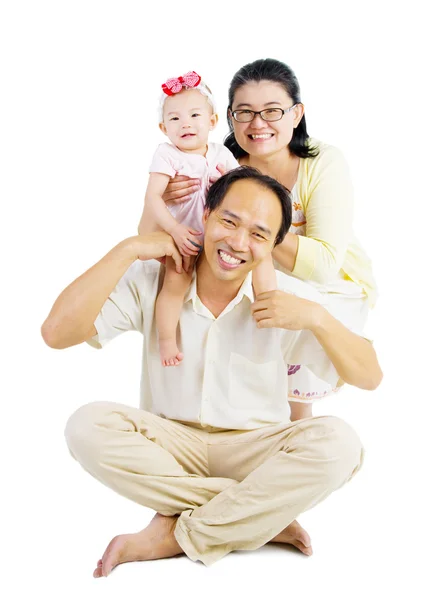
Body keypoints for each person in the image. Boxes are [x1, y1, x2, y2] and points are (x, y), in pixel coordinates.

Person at [41, 167, 382, 576]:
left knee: (340, 444)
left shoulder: (286, 298)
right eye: (229, 221)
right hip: (171, 450)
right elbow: (56, 333)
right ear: (206, 215)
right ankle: (258, 516)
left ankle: (178, 535)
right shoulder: (157, 279)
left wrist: (319, 319)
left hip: (256, 449)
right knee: (86, 425)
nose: (238, 242)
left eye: (259, 234)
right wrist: (128, 249)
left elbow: (370, 376)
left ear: (274, 245)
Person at [160, 58, 377, 421]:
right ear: (228, 117)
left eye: (272, 111)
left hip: (328, 286)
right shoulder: (219, 163)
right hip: (250, 274)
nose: (258, 124)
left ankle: (295, 441)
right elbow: (173, 231)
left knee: (292, 393)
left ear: (296, 114)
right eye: (244, 113)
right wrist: (169, 207)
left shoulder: (323, 162)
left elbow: (324, 266)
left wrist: (249, 228)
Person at [138, 70, 276, 367]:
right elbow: (152, 197)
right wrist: (174, 230)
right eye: (174, 118)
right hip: (182, 236)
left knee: (263, 260)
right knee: (175, 282)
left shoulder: (220, 153)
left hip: (218, 238)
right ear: (163, 127)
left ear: (212, 122)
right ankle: (165, 341)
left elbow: (240, 187)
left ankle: (269, 311)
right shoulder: (166, 155)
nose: (185, 123)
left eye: (194, 115)